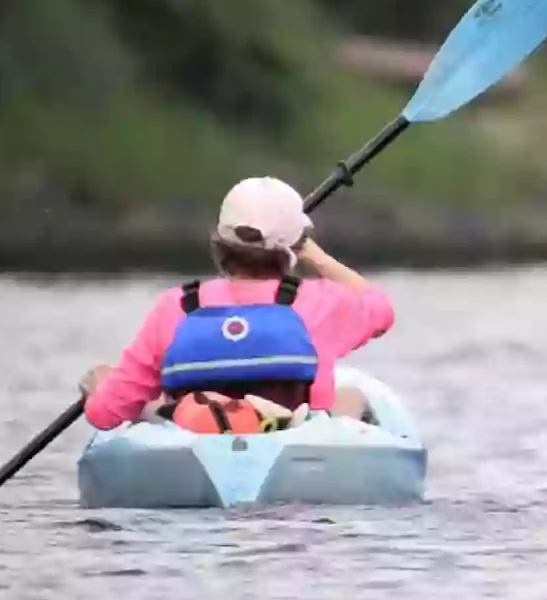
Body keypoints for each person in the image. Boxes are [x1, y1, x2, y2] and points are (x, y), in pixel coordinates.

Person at [78, 177, 396, 435]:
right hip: (293, 438)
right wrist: (318, 258)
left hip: (196, 437)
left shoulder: (175, 306)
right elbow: (381, 310)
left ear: (221, 242)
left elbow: (104, 415)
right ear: (294, 246)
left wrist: (97, 389)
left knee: (144, 403)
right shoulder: (320, 302)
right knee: (351, 398)